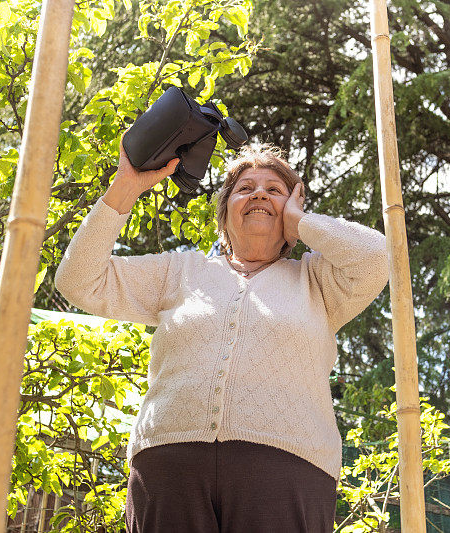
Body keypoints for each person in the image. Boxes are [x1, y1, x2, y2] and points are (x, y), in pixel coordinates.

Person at [55, 141, 389, 532]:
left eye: (275, 191)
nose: (259, 193)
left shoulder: (317, 282)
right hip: (168, 469)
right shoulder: (179, 271)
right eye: (245, 188)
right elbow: (78, 280)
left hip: (288, 473)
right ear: (224, 214)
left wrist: (300, 222)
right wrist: (125, 186)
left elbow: (379, 257)